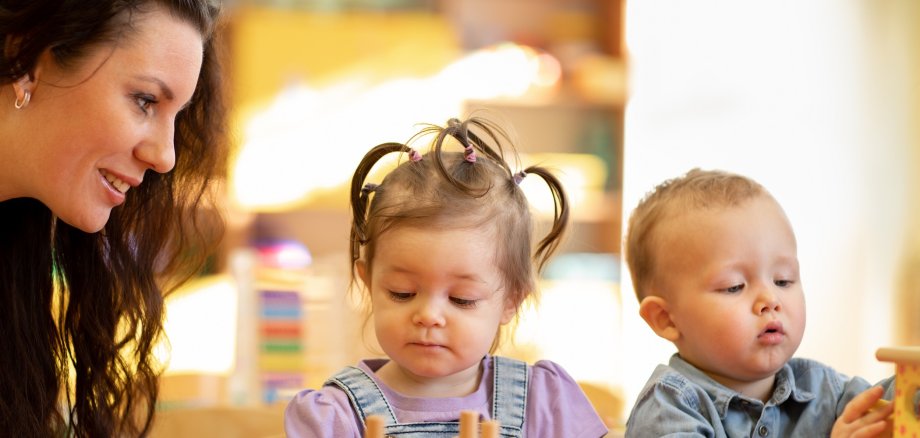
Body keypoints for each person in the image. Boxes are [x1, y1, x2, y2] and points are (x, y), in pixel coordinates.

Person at [284, 117, 608, 437]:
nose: (428, 316)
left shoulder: (546, 403)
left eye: (461, 299)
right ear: (368, 283)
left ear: (511, 299)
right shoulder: (335, 417)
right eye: (401, 292)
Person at [0, 1, 225, 436]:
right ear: (26, 58)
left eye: (176, 117)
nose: (165, 157)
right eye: (145, 101)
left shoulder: (19, 248)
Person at [623, 168, 895, 437]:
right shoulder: (669, 407)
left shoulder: (823, 389)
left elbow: (897, 404)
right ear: (666, 318)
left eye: (783, 280)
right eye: (734, 286)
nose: (770, 299)